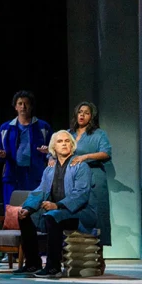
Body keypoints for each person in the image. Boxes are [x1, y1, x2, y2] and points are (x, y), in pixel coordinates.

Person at [17, 130, 97, 278]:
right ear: (54, 147)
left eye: (67, 141)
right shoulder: (49, 169)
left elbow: (81, 194)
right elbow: (40, 191)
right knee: (24, 216)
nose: (64, 144)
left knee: (52, 216)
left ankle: (53, 267)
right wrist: (27, 208)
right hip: (56, 212)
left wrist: (57, 205)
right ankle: (33, 263)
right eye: (60, 141)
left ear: (72, 145)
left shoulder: (80, 166)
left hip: (78, 213)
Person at [66, 101, 112, 272]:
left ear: (91, 116)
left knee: (98, 216)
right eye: (79, 112)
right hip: (75, 179)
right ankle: (73, 258)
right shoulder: (69, 133)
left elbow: (106, 152)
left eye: (85, 112)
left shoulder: (99, 134)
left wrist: (85, 157)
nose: (81, 115)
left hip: (94, 178)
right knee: (74, 214)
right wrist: (50, 155)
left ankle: (98, 256)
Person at [0, 90, 52, 209]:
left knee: (35, 208)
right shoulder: (6, 128)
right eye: (20, 103)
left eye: (26, 103)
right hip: (13, 174)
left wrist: (48, 151)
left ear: (31, 106)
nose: (23, 106)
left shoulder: (43, 127)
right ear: (15, 106)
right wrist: (2, 154)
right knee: (12, 209)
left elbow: (53, 150)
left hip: (36, 174)